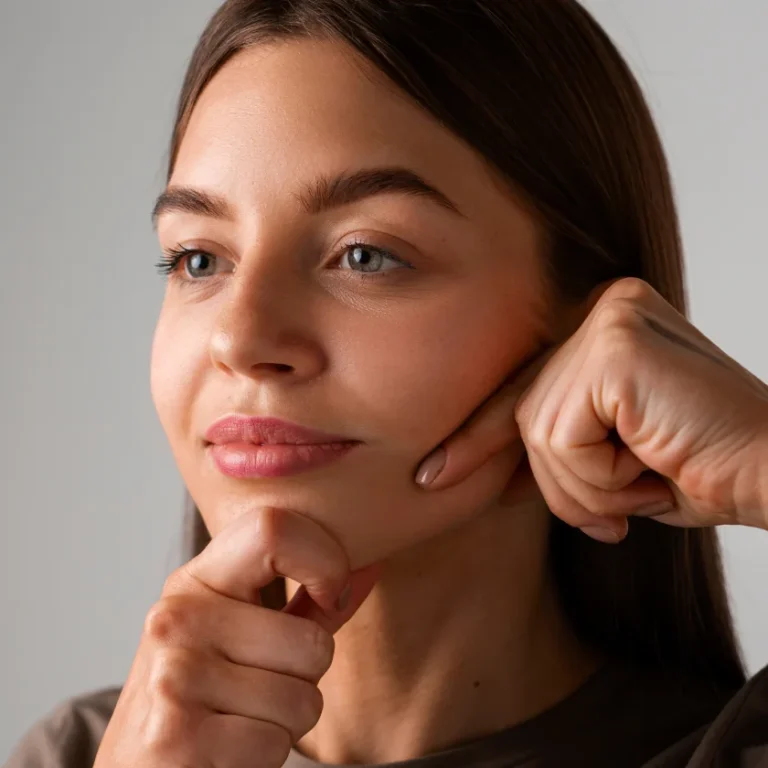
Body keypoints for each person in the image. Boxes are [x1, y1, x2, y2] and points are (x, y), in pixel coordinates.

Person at [7, 1, 768, 766]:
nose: (239, 340)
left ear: (588, 322)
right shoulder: (81, 754)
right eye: (199, 259)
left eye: (366, 254)